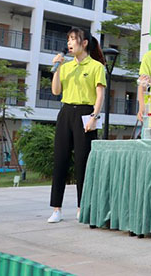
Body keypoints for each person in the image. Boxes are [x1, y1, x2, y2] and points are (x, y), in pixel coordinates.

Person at [48, 28, 106, 223]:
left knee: (83, 162)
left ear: (84, 43)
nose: (69, 43)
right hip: (66, 113)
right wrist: (57, 68)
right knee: (60, 160)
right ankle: (56, 209)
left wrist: (94, 117)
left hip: (86, 113)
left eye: (73, 39)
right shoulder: (65, 66)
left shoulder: (96, 66)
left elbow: (100, 95)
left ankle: (82, 206)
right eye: (68, 40)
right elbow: (56, 91)